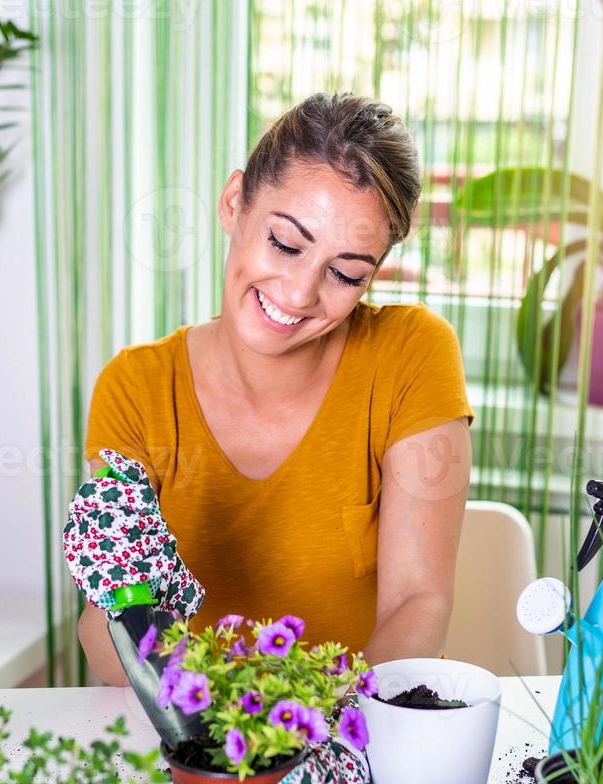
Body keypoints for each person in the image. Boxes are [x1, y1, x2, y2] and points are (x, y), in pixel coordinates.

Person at [79, 92, 473, 685]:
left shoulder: (411, 354)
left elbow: (417, 603)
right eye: (286, 244)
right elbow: (103, 623)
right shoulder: (136, 389)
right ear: (235, 203)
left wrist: (321, 734)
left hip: (365, 728)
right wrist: (226, 734)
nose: (298, 292)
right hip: (202, 738)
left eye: (345, 274)